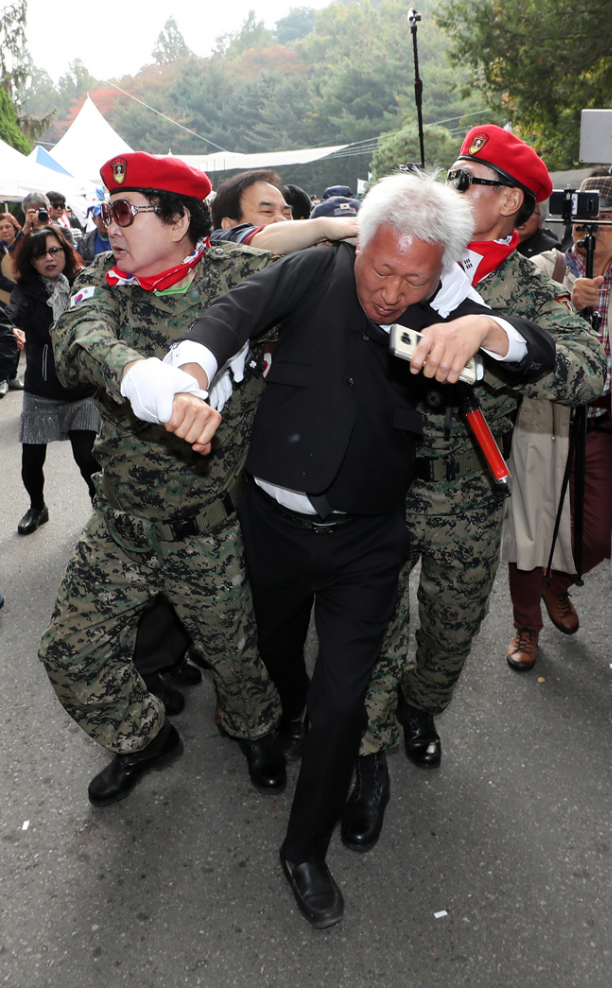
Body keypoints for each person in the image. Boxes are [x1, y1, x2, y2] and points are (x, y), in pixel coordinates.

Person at [160, 170, 557, 928]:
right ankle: (285, 723)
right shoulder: (317, 269)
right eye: (380, 270)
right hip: (272, 527)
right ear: (359, 242)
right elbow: (224, 319)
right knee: (280, 664)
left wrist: (484, 329)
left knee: (345, 701)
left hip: (368, 543)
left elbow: (532, 350)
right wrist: (185, 379)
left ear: (439, 269)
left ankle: (303, 849)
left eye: (412, 278)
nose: (390, 292)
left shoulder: (445, 306)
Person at [341, 126, 607, 856]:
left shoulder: (527, 285)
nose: (451, 186)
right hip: (378, 490)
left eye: (469, 178)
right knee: (370, 627)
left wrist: (493, 330)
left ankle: (422, 709)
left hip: (465, 496)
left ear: (512, 201)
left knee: (450, 628)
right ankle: (366, 759)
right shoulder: (402, 254)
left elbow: (588, 371)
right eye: (452, 173)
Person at [38, 151, 283, 810]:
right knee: (69, 653)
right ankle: (142, 738)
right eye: (105, 212)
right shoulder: (105, 282)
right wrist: (146, 381)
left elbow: (310, 281)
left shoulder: (237, 277)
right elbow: (78, 341)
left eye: (124, 212)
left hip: (204, 529)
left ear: (178, 220)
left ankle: (255, 732)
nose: (108, 227)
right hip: (119, 526)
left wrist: (333, 232)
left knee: (234, 659)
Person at [503, 173, 612, 669]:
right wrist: (564, 296)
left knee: (603, 530)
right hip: (544, 420)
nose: (601, 226)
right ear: (573, 217)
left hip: (603, 426)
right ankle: (525, 628)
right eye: (591, 214)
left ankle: (554, 583)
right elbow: (506, 325)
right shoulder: (543, 267)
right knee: (531, 529)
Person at [7, 227, 100, 534]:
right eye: (40, 254)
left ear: (65, 251)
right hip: (42, 389)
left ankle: (100, 509)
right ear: (31, 262)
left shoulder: (83, 283)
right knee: (32, 460)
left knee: (87, 458)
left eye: (54, 251)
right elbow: (13, 316)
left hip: (82, 387)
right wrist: (13, 330)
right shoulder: (26, 291)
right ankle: (38, 507)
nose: (49, 258)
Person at [210, 168, 358, 253]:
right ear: (229, 226)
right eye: (267, 211)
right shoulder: (220, 243)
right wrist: (324, 228)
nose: (282, 219)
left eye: (287, 213)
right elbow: (260, 239)